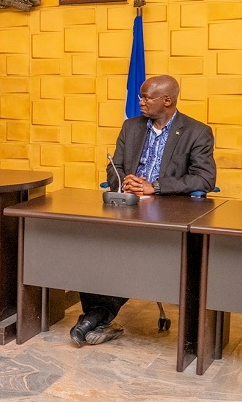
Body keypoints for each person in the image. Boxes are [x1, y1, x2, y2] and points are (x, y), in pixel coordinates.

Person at [70, 75, 216, 347]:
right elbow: (113, 168)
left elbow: (205, 179)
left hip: (168, 212)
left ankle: (95, 317)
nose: (141, 101)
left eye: (146, 97)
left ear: (167, 100)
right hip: (125, 207)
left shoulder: (197, 132)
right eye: (141, 96)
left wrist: (155, 187)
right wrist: (125, 181)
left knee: (129, 252)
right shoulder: (131, 126)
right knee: (91, 244)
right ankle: (98, 317)